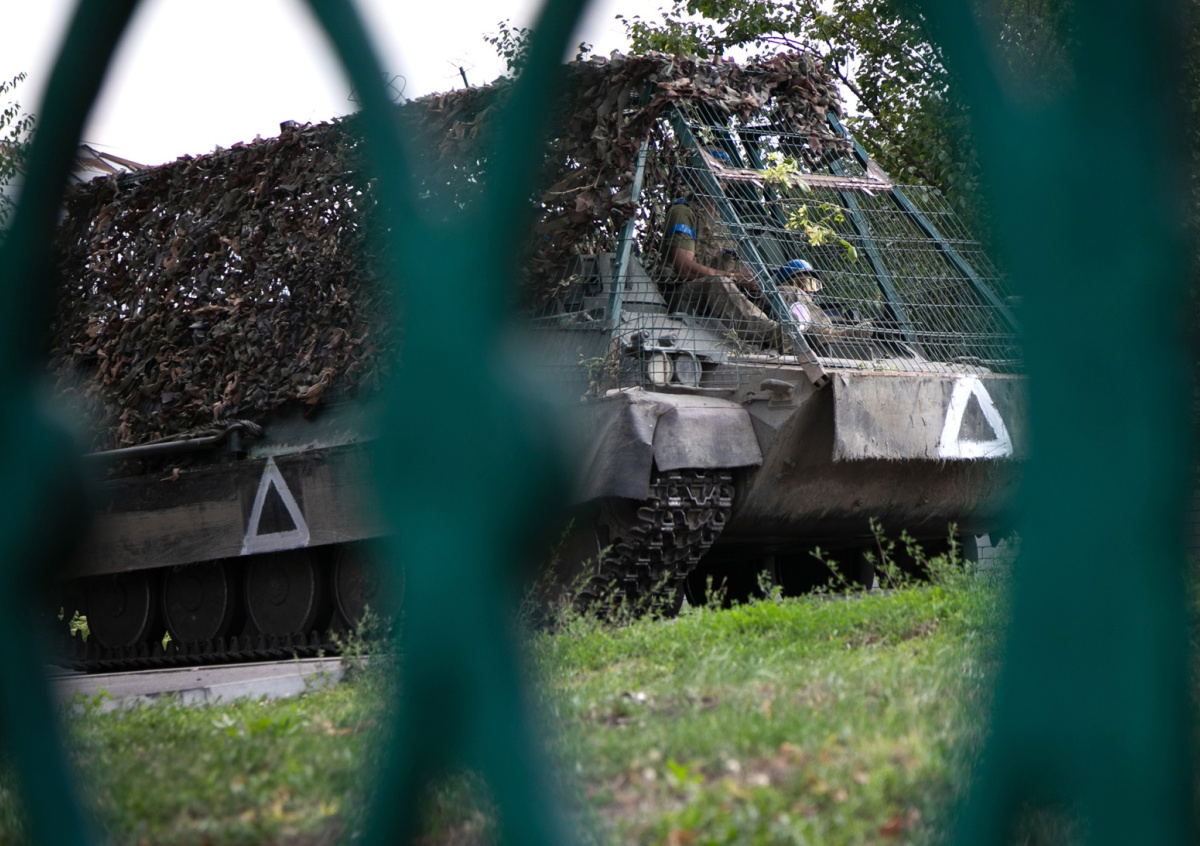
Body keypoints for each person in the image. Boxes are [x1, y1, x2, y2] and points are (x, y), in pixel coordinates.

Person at [659, 185, 782, 348]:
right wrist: (735, 278)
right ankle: (776, 336)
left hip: (723, 295)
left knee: (789, 293)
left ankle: (815, 337)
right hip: (684, 295)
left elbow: (736, 266)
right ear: (696, 176)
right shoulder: (684, 212)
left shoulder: (727, 218)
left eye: (722, 174)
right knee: (719, 282)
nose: (720, 180)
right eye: (714, 175)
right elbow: (684, 269)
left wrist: (752, 283)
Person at [773, 259, 872, 344]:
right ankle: (829, 335)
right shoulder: (783, 293)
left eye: (811, 284)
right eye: (798, 283)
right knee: (795, 294)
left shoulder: (818, 313)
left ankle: (830, 335)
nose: (805, 289)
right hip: (780, 334)